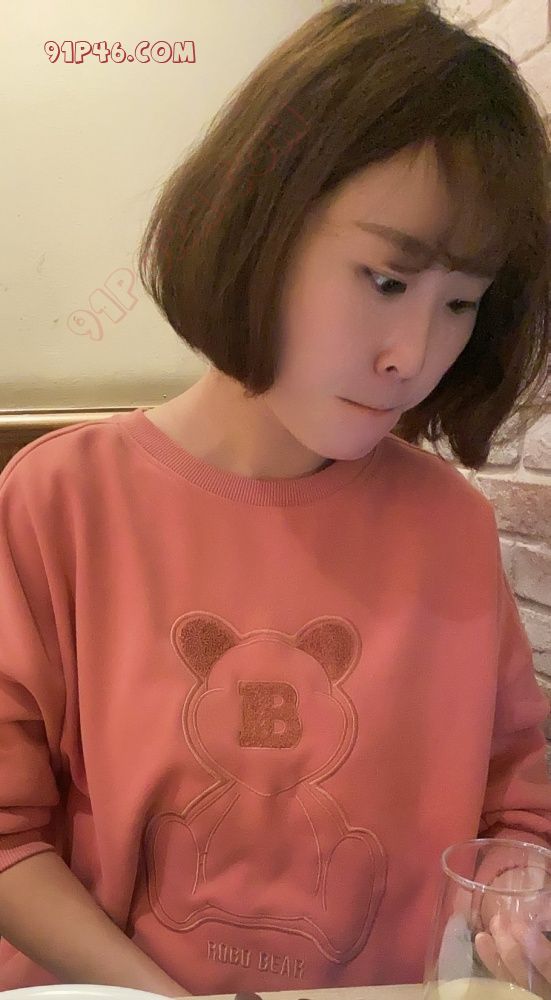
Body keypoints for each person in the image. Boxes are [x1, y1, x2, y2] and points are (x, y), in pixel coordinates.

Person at [0, 0, 550, 994]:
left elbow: (518, 807)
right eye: (385, 280)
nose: (413, 356)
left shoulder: (450, 526)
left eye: (461, 302)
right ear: (259, 223)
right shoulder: (59, 504)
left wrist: (514, 891)